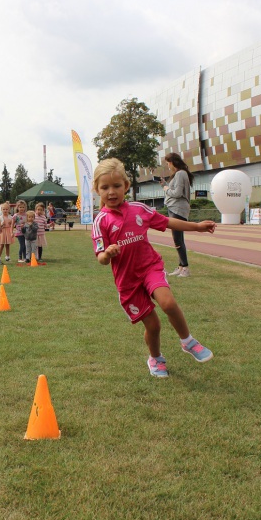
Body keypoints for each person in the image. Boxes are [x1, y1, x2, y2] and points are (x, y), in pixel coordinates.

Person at [92, 158, 217, 378]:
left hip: (150, 267)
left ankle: (187, 341)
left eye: (117, 186)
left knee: (168, 302)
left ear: (126, 186)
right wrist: (107, 254)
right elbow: (100, 257)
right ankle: (156, 358)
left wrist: (196, 227)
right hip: (128, 282)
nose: (111, 192)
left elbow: (168, 222)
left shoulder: (139, 209)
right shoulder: (100, 221)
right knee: (154, 326)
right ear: (97, 190)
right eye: (105, 187)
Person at [162, 152, 194, 277]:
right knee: (178, 238)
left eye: (168, 163)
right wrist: (165, 185)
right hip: (174, 208)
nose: (167, 166)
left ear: (172, 162)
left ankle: (185, 267)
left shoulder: (180, 173)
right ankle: (181, 266)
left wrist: (166, 189)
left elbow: (177, 193)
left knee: (178, 239)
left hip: (178, 208)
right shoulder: (179, 174)